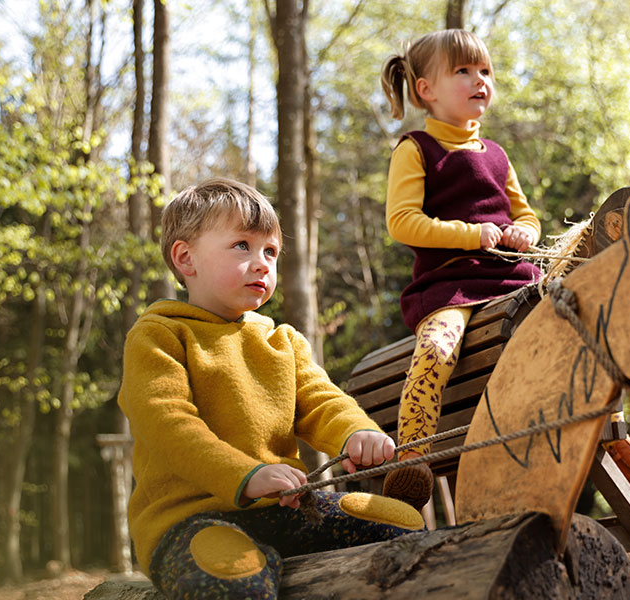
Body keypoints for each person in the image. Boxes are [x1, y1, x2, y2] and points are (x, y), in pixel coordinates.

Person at [378, 29, 630, 510]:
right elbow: (402, 221)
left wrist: (526, 231)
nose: (480, 80)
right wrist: (470, 234)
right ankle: (413, 456)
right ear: (426, 90)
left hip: (513, 280)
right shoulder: (416, 149)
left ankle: (623, 453)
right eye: (463, 71)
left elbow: (524, 213)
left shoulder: (497, 155)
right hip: (452, 286)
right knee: (437, 348)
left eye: (485, 71)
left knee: (586, 338)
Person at [118, 178, 423, 599]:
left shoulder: (282, 340)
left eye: (271, 252)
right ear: (186, 258)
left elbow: (322, 400)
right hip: (192, 519)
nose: (262, 263)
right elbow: (166, 424)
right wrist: (246, 475)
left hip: (287, 509)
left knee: (402, 527)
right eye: (242, 246)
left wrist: (356, 433)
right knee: (232, 580)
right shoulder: (158, 335)